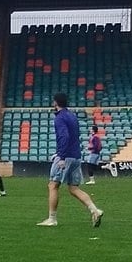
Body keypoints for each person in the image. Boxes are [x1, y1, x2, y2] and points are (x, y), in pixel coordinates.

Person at [40, 93, 103, 229]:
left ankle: (52, 219)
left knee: (53, 185)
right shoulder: (72, 116)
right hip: (76, 156)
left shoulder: (60, 118)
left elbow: (64, 136)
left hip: (66, 156)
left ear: (55, 102)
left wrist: (61, 157)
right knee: (73, 188)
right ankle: (95, 210)